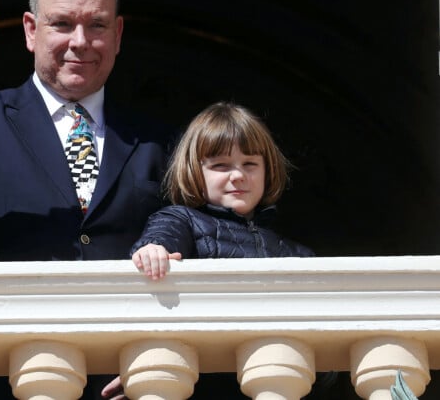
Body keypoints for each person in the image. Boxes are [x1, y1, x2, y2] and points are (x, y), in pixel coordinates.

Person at [0, 0, 175, 398]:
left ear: (118, 35)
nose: (81, 42)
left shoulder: (158, 140)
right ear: (31, 30)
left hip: (126, 378)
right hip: (7, 376)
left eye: (97, 25)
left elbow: (198, 235)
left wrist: (158, 350)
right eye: (62, 24)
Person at [129, 101, 339, 399]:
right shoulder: (182, 219)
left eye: (250, 164)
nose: (238, 176)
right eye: (221, 166)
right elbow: (163, 237)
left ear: (267, 169)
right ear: (195, 171)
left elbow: (326, 351)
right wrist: (153, 250)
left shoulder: (296, 253)